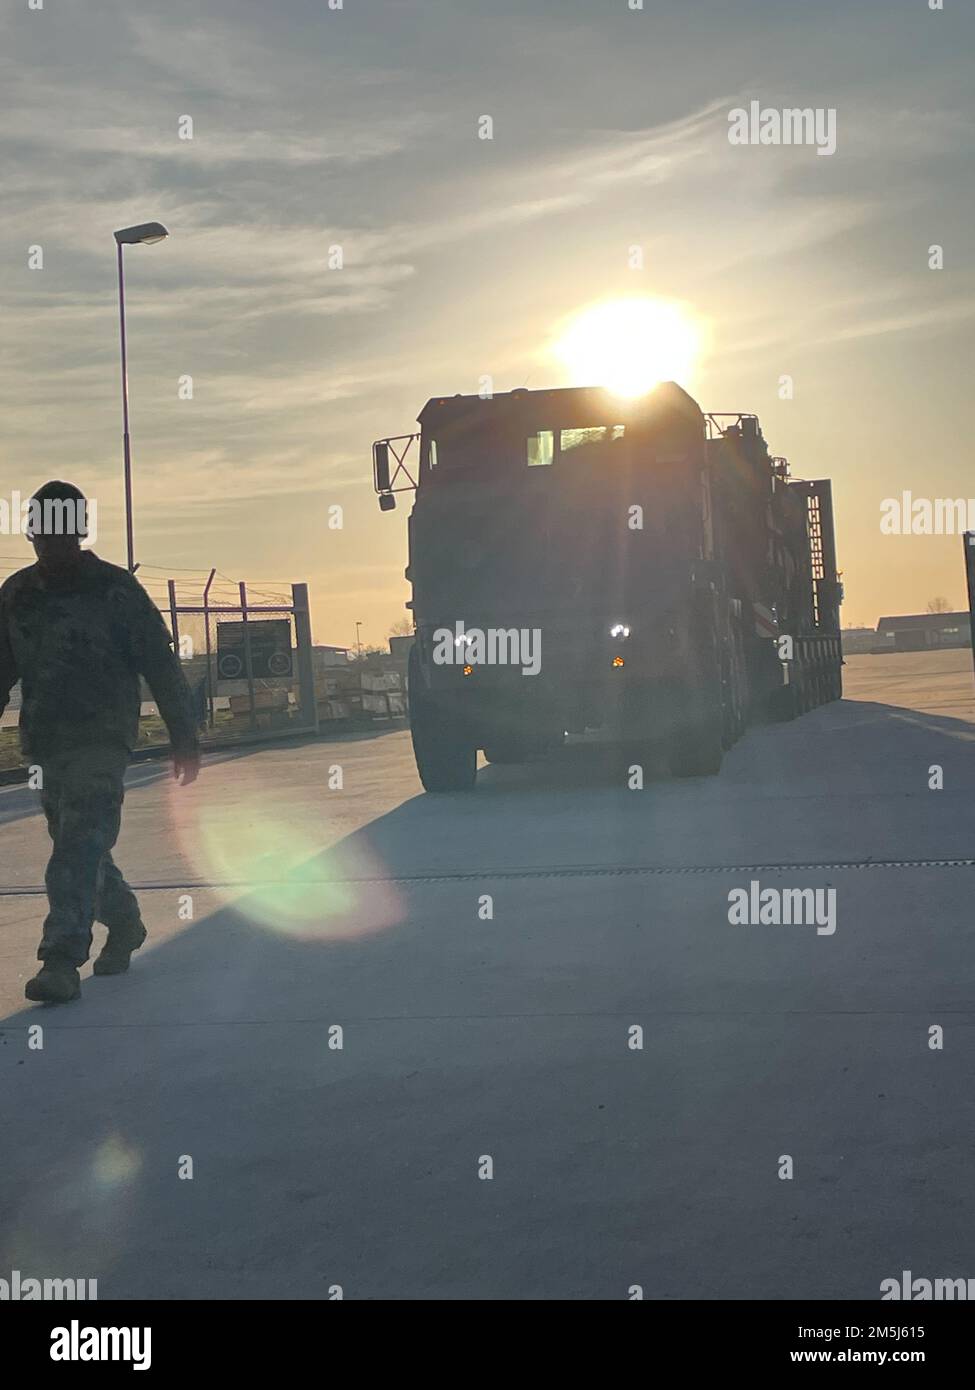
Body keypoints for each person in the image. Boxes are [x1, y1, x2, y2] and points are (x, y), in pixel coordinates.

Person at [0, 481, 201, 1004]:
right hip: (45, 743)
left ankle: (61, 959)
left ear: (81, 532)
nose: (54, 545)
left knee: (77, 844)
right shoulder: (17, 596)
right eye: (45, 534)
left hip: (104, 740)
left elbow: (159, 663)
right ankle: (126, 920)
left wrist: (184, 734)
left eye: (64, 534)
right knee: (81, 847)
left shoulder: (115, 591)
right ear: (32, 533)